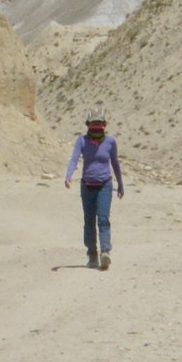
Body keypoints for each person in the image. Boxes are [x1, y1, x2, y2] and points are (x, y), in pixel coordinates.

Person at [64, 113, 125, 270]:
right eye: (93, 124)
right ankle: (92, 255)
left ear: (104, 125)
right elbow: (74, 158)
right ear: (88, 125)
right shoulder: (82, 141)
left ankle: (105, 252)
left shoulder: (110, 142)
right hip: (87, 186)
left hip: (105, 185)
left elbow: (115, 163)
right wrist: (69, 175)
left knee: (103, 219)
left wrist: (120, 184)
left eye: (99, 124)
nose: (96, 127)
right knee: (89, 221)